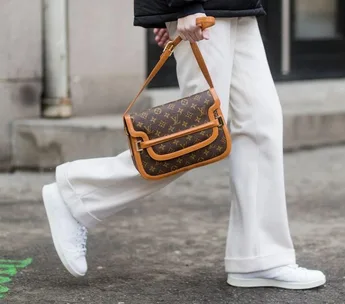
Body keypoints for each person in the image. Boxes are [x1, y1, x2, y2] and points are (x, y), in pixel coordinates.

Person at [42, 0, 326, 289]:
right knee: (196, 134)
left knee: (260, 124)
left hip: (238, 7)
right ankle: (78, 193)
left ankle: (261, 258)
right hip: (204, 8)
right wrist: (183, 6)